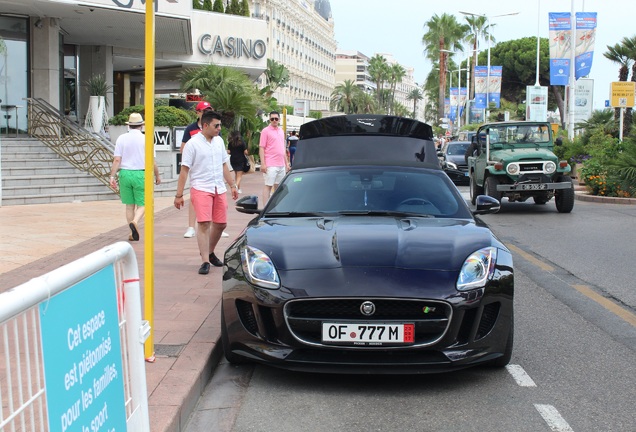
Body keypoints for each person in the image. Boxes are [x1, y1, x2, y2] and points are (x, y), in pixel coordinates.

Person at [173, 110, 239, 275]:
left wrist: (232, 185)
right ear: (205, 125)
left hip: (219, 187)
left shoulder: (219, 142)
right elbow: (184, 170)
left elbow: (224, 164)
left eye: (220, 125)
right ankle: (204, 261)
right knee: (203, 223)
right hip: (201, 187)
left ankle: (209, 252)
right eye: (216, 126)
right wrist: (179, 195)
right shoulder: (192, 144)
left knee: (221, 224)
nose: (219, 129)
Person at [109, 113, 161, 241]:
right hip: (141, 173)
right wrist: (157, 175)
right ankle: (135, 222)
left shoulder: (121, 138)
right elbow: (152, 161)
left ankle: (132, 232)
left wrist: (111, 176)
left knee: (129, 205)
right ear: (142, 125)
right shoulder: (147, 139)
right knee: (144, 203)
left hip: (125, 173)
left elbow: (116, 160)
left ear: (129, 125)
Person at [181, 101, 213, 238]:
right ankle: (190, 227)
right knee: (194, 198)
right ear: (198, 113)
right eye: (204, 111)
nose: (207, 113)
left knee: (213, 198)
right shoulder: (190, 129)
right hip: (196, 170)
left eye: (209, 111)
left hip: (211, 169)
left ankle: (214, 227)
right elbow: (183, 148)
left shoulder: (214, 127)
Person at [259, 111, 290, 204]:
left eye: (276, 119)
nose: (274, 120)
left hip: (281, 164)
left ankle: (277, 207)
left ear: (279, 119)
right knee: (268, 185)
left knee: (279, 187)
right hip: (270, 164)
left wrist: (286, 163)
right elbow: (261, 147)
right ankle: (265, 208)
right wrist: (263, 164)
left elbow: (283, 148)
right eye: (272, 119)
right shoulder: (265, 131)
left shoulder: (281, 131)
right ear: (270, 119)